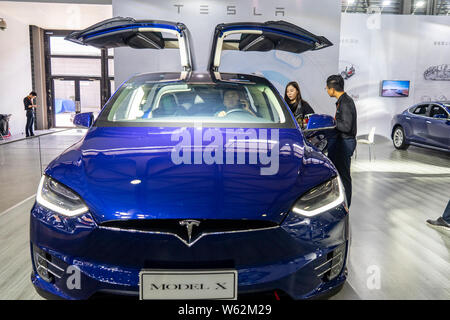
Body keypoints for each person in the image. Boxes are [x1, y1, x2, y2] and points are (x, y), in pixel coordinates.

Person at [325, 75, 357, 207]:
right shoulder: (343, 101)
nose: (326, 90)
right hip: (341, 143)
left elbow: (346, 126)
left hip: (345, 143)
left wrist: (332, 123)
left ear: (332, 89)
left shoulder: (346, 102)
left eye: (327, 88)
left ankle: (346, 206)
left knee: (344, 177)